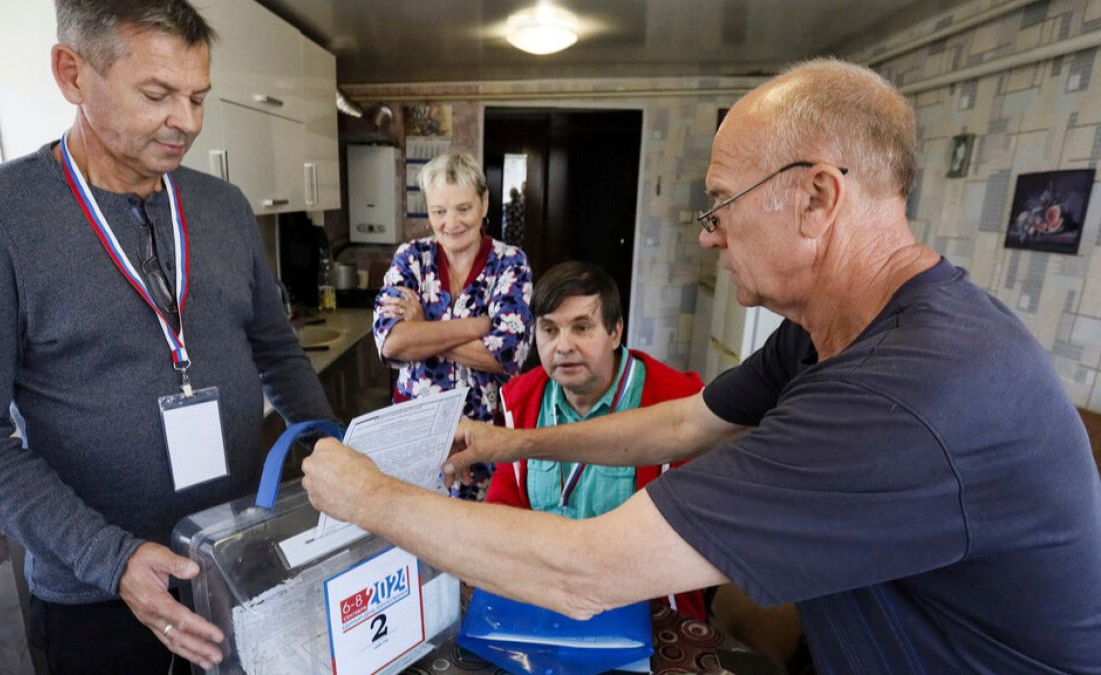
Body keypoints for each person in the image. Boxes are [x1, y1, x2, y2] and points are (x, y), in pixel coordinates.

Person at [301, 57, 1101, 673]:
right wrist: (509, 441)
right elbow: (686, 420)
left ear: (818, 198)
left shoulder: (907, 394)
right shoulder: (837, 328)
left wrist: (370, 495)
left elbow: (586, 572)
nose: (708, 233)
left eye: (721, 203)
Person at [0, 1, 335, 672]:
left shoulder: (222, 206)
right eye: (157, 94)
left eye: (197, 96)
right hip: (98, 596)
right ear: (72, 73)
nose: (188, 122)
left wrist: (326, 445)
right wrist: (109, 557)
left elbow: (276, 348)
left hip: (243, 558)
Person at [484, 260, 711, 618]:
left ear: (615, 332)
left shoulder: (676, 404)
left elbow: (694, 539)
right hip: (544, 603)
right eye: (549, 330)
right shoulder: (521, 403)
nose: (563, 346)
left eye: (582, 327)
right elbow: (503, 508)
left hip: (644, 613)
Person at [374, 152, 533, 495]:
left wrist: (424, 329)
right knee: (411, 529)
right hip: (415, 433)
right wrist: (478, 326)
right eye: (439, 211)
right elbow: (392, 343)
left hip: (483, 439)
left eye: (463, 208)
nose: (451, 222)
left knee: (478, 538)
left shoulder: (510, 263)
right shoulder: (410, 257)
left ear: (484, 203)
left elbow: (507, 355)